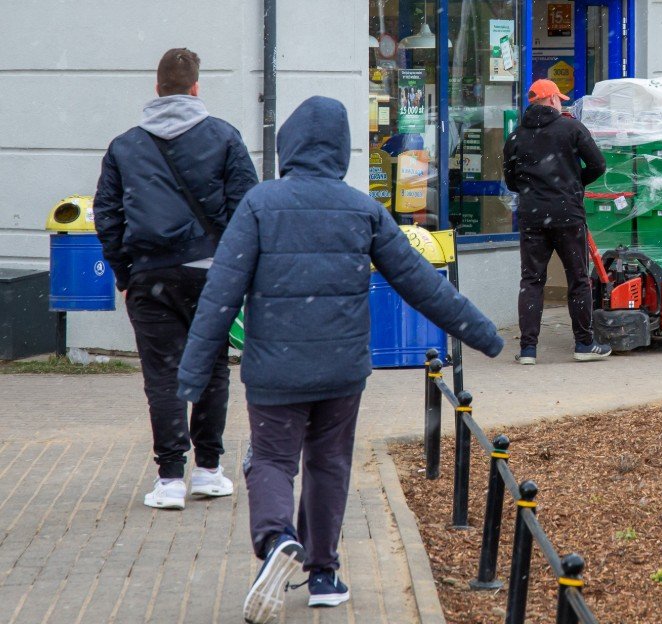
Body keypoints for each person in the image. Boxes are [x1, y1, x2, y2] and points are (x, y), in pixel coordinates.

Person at [175, 96, 503, 623]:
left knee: (272, 460)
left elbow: (221, 293)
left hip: (276, 369)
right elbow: (420, 282)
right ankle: (324, 574)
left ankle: (277, 540)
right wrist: (483, 332)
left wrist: (192, 373)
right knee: (329, 464)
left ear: (288, 146)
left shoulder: (259, 205)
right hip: (341, 370)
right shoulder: (362, 209)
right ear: (340, 150)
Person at [94, 48, 258, 508]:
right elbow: (246, 209)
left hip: (150, 276)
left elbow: (107, 216)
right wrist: (235, 269)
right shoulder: (224, 137)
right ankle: (208, 470)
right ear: (195, 88)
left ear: (157, 88)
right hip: (212, 275)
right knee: (211, 369)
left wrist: (126, 274)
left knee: (162, 377)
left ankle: (169, 480)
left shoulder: (125, 146)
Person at [502, 78, 611, 364]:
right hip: (567, 215)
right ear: (552, 100)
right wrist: (573, 183)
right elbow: (599, 164)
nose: (561, 103)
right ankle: (584, 344)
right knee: (578, 278)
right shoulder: (572, 128)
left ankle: (528, 350)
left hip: (532, 217)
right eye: (559, 99)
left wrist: (536, 190)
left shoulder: (516, 136)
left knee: (532, 280)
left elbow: (511, 181)